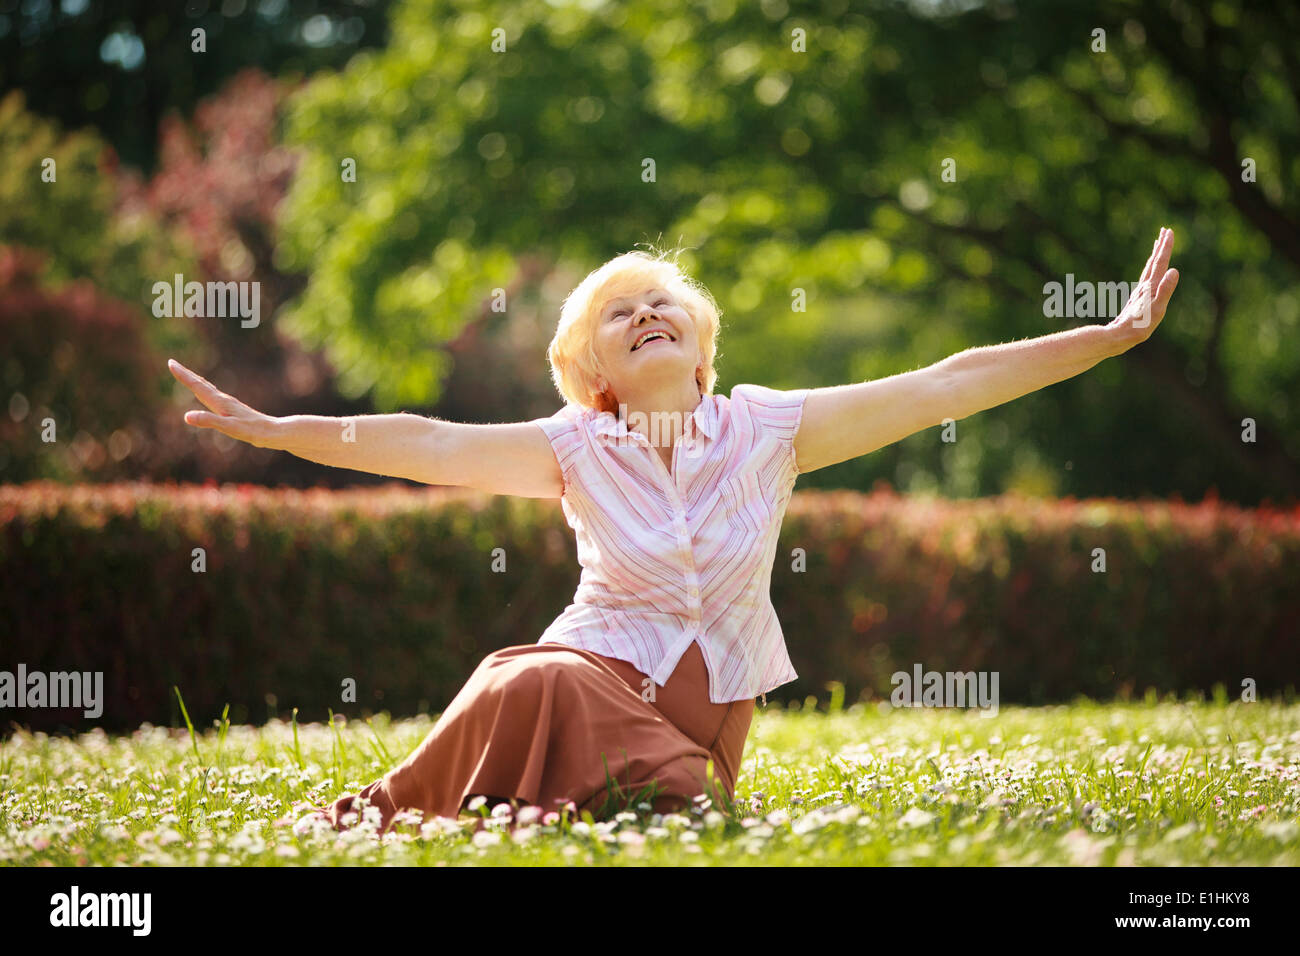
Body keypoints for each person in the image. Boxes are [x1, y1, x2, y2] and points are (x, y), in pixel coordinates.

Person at [169, 232, 1179, 833]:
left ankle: (609, 795)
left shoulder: (769, 427)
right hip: (591, 674)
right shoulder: (571, 444)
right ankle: (385, 811)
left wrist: (1113, 330)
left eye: (663, 304)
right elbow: (427, 441)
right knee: (525, 676)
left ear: (699, 349)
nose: (646, 313)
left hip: (701, 727)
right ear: (595, 369)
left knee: (677, 793)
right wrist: (276, 429)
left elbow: (946, 381)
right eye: (620, 313)